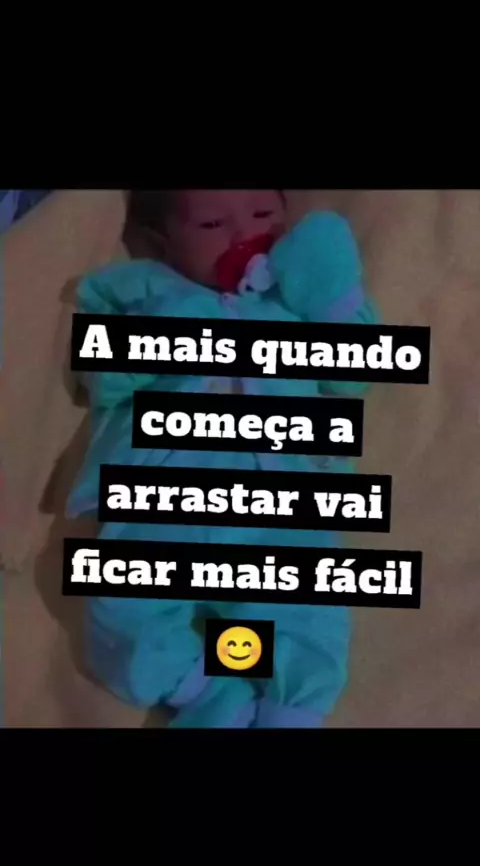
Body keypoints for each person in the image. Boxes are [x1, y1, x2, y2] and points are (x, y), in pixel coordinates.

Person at [67, 189, 379, 728]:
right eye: (212, 225)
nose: (243, 234)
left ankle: (288, 711)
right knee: (121, 607)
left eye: (264, 215)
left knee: (306, 615)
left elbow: (355, 372)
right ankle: (207, 692)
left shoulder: (293, 297)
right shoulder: (142, 288)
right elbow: (102, 376)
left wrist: (327, 278)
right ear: (161, 241)